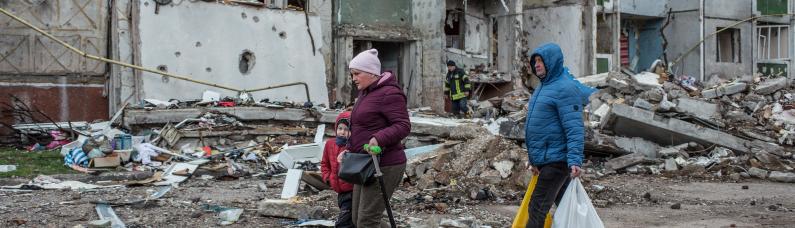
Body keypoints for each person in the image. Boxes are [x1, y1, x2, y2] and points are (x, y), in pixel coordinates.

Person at [523, 43, 593, 228]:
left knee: (537, 207)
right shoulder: (542, 87)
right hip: (548, 159)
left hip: (557, 160)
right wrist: (535, 159)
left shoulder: (565, 88)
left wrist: (575, 160)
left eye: (541, 61)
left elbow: (574, 128)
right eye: (535, 61)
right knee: (567, 206)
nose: (537, 65)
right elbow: (541, 126)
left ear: (551, 62)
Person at [343, 49, 411, 227]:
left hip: (386, 164)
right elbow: (360, 126)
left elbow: (403, 125)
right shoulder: (365, 93)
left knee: (367, 220)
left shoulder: (390, 93)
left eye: (357, 74)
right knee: (358, 218)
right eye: (352, 74)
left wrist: (379, 138)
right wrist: (348, 149)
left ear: (372, 72)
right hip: (365, 163)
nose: (354, 78)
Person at [320, 111, 355, 228]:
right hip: (339, 191)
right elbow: (324, 163)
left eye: (346, 129)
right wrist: (328, 178)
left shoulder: (353, 146)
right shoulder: (330, 144)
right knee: (351, 219)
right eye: (340, 128)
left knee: (343, 222)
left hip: (352, 191)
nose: (342, 132)